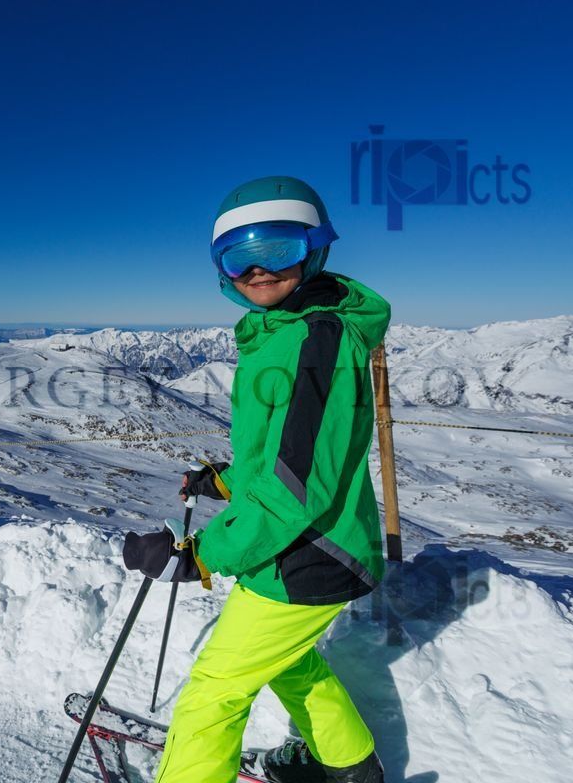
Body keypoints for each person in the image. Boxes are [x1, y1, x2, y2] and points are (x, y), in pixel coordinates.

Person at [123, 176, 390, 783]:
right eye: (238, 256)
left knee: (213, 693)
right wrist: (222, 480)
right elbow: (284, 456)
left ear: (314, 246)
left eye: (278, 248)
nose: (258, 270)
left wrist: (197, 556)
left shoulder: (316, 340)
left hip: (307, 550)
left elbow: (294, 488)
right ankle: (353, 769)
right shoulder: (285, 333)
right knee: (286, 662)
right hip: (306, 546)